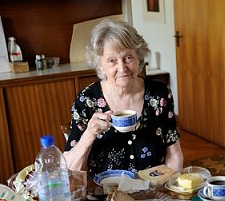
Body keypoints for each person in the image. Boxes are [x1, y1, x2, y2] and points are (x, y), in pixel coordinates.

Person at [64, 19, 183, 178]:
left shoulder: (159, 94)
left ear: (139, 58)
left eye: (128, 57)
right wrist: (90, 133)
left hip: (153, 191)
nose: (122, 68)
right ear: (100, 64)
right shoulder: (87, 100)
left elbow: (174, 154)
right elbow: (70, 170)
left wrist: (170, 191)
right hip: (106, 196)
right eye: (112, 60)